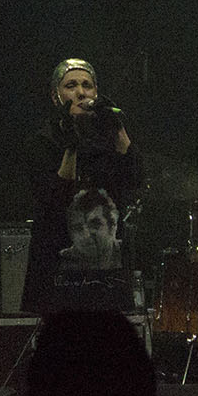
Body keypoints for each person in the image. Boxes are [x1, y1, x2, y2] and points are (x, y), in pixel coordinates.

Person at [23, 59, 144, 315]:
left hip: (108, 279)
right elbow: (54, 199)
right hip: (58, 279)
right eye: (71, 86)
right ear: (56, 96)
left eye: (87, 86)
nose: (81, 92)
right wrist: (71, 146)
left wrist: (118, 128)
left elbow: (135, 179)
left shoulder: (107, 141)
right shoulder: (42, 142)